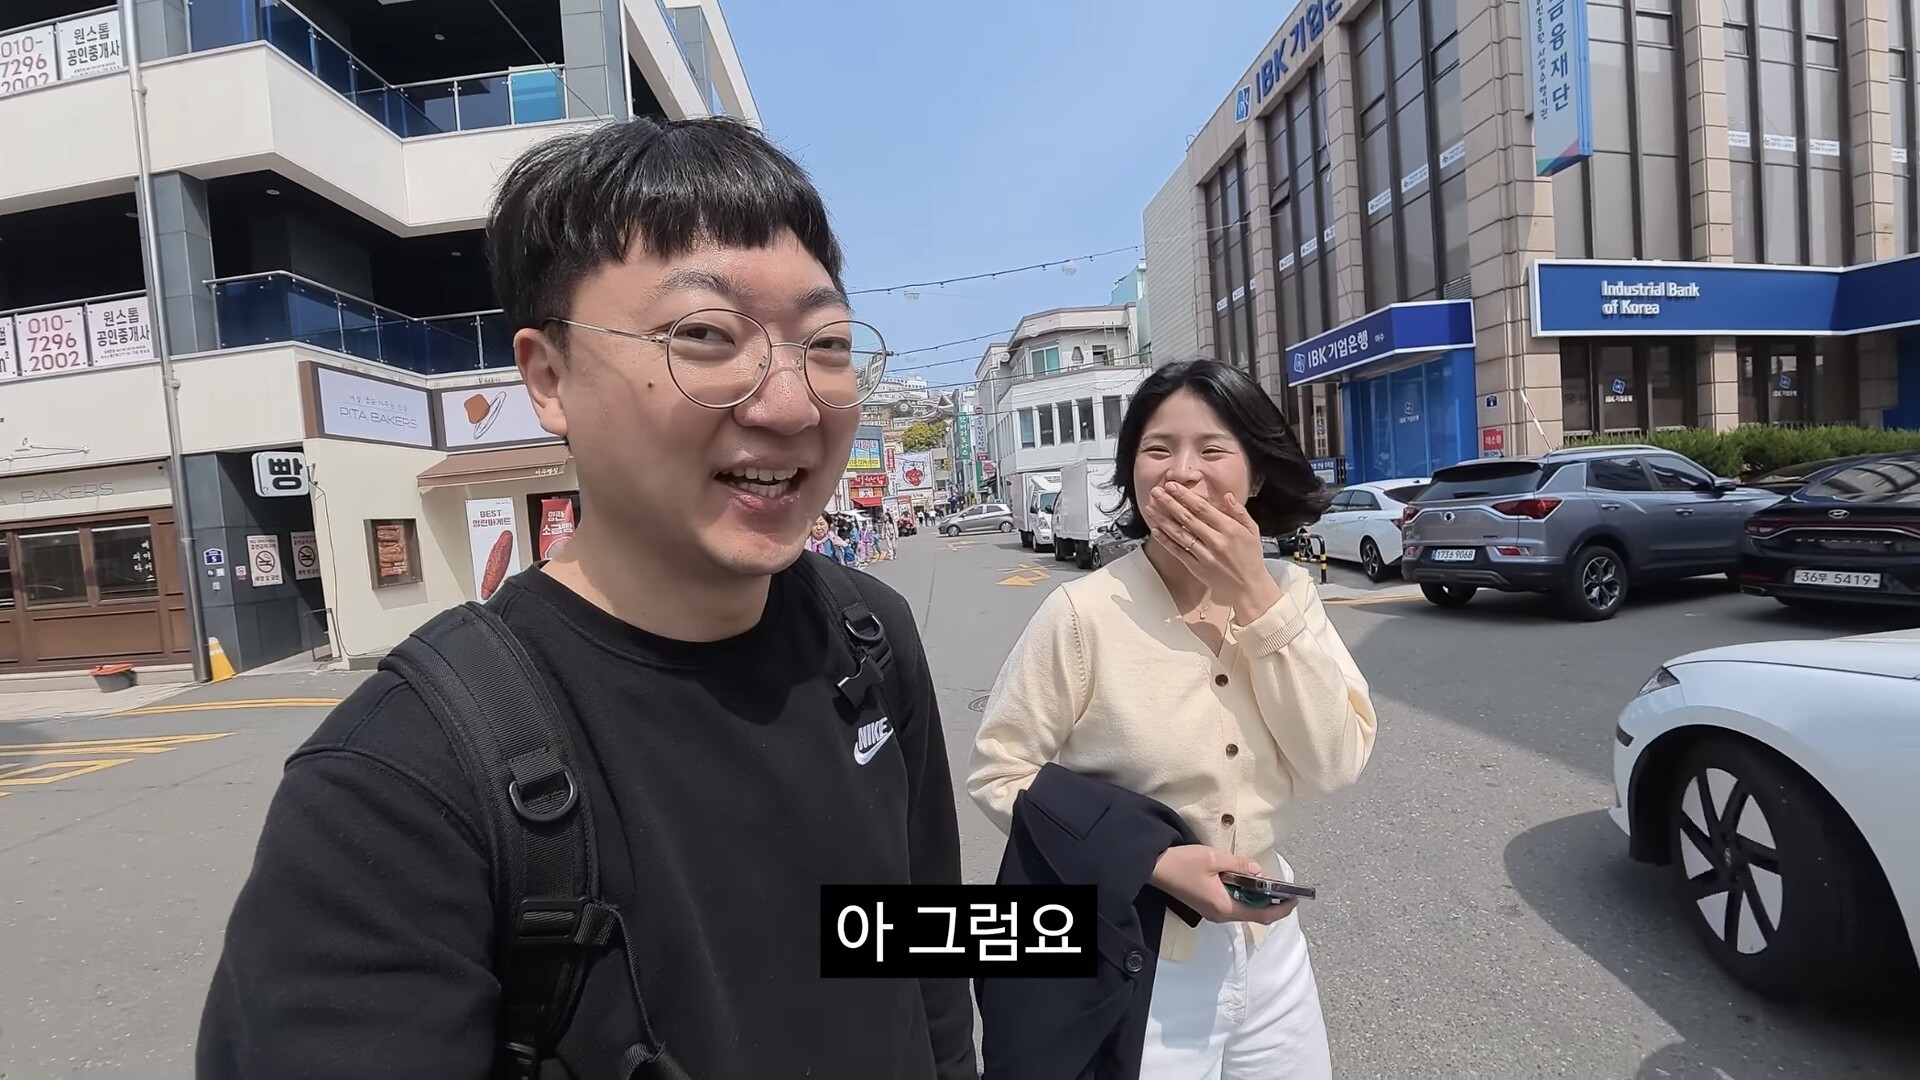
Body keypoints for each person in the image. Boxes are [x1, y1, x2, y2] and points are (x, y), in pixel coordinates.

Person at [198, 117, 976, 1080]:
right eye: (705, 335)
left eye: (827, 343)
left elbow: (926, 947)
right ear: (550, 377)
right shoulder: (394, 782)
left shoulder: (870, 634)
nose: (790, 404)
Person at [967, 359, 1377, 1078]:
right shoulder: (1082, 613)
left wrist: (1256, 596)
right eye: (1157, 449)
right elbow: (1000, 771)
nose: (1182, 472)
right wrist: (1152, 861)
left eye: (1212, 449)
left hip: (1269, 950)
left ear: (1255, 474)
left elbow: (1334, 763)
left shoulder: (1290, 594)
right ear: (1132, 473)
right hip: (1136, 949)